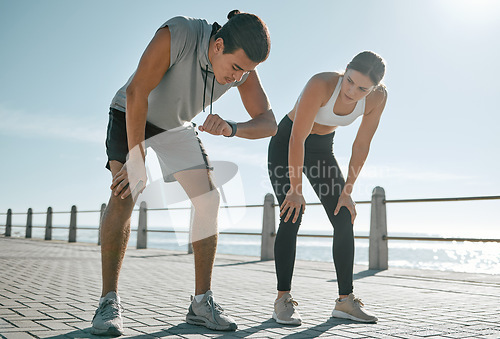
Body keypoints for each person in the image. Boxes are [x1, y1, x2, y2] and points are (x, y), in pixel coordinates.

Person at [91, 10, 277, 336]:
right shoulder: (180, 33)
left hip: (174, 126)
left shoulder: (244, 71)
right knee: (126, 191)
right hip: (131, 110)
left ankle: (201, 304)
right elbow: (137, 92)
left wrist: (233, 127)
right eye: (235, 68)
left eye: (246, 72)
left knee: (209, 200)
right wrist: (136, 160)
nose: (238, 78)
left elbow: (268, 123)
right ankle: (108, 302)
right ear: (218, 45)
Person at [267, 51, 387, 325]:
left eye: (362, 89)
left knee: (343, 215)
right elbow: (297, 139)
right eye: (349, 82)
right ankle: (282, 300)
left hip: (321, 149)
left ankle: (345, 301)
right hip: (286, 142)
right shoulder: (320, 84)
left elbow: (361, 144)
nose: (352, 92)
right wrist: (295, 190)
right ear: (344, 71)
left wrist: (348, 191)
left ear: (374, 88)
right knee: (291, 213)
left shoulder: (377, 98)